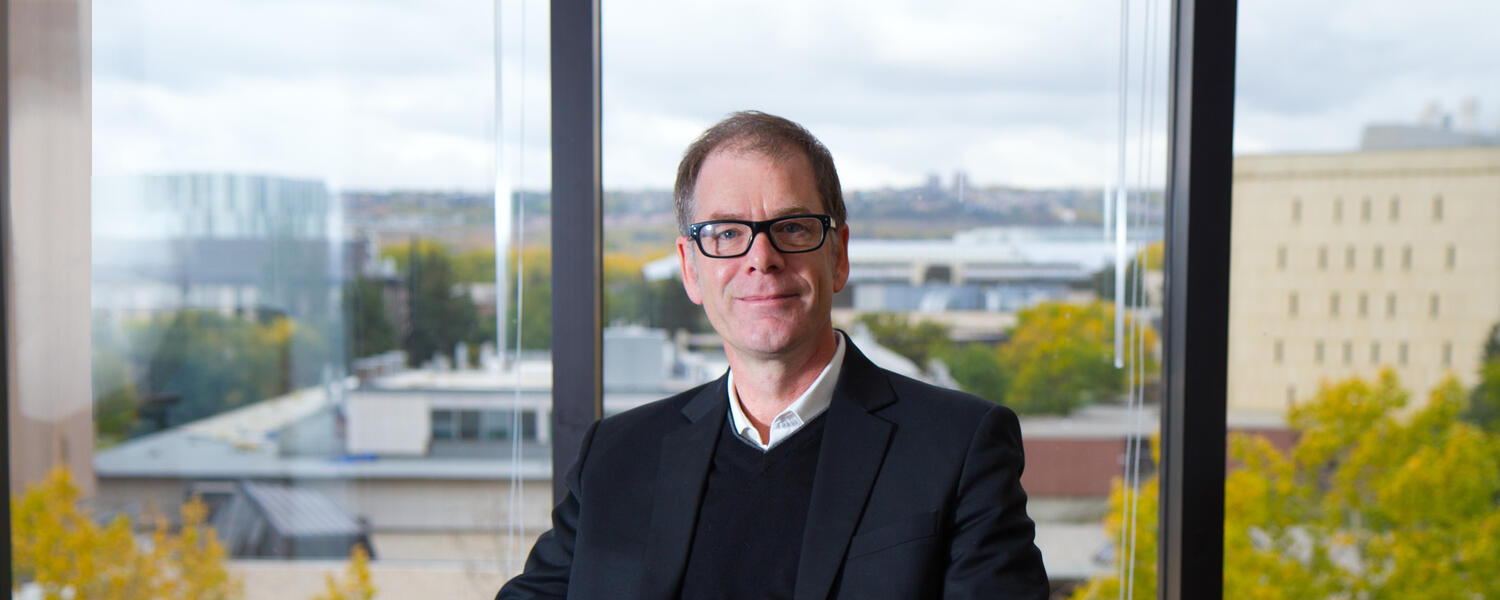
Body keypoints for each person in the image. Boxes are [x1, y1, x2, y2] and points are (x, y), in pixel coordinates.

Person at [497, 111, 1048, 599]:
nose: (762, 257)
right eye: (725, 233)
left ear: (839, 255)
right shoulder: (617, 457)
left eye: (792, 227)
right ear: (690, 268)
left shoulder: (958, 448)